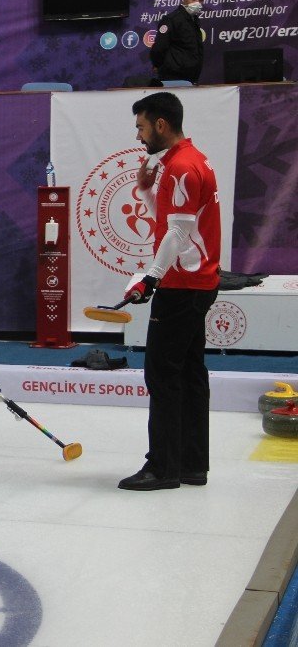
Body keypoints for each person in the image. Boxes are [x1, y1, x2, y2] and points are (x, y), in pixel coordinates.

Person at [119, 91, 221, 491]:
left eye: (142, 127)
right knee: (191, 372)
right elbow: (175, 223)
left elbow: (178, 233)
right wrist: (145, 190)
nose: (139, 136)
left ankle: (163, 468)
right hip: (197, 283)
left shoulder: (181, 167)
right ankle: (192, 465)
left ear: (161, 124)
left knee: (162, 374)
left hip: (181, 286)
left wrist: (152, 277)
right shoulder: (189, 160)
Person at [149, 0, 206, 84]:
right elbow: (159, 47)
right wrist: (157, 65)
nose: (197, 2)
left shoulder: (195, 20)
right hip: (173, 78)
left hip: (191, 78)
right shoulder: (171, 19)